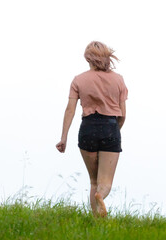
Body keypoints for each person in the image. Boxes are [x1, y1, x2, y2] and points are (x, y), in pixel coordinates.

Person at [56, 41, 128, 217]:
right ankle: (101, 197)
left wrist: (63, 138)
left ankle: (96, 221)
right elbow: (123, 114)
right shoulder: (118, 79)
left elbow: (70, 109)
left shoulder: (79, 80)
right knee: (105, 183)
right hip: (110, 126)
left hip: (87, 128)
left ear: (87, 58)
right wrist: (114, 130)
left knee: (93, 181)